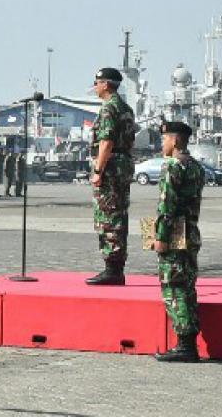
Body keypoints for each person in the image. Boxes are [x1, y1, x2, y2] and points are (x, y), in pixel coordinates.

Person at [151, 121, 204, 362]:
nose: (162, 144)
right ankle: (188, 342)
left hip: (174, 234)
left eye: (164, 139)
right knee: (187, 286)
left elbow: (167, 205)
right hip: (190, 231)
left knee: (174, 287)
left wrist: (161, 236)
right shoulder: (195, 166)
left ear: (175, 140)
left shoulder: (172, 166)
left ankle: (185, 345)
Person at [86, 67, 136, 286]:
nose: (95, 87)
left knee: (108, 216)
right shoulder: (126, 108)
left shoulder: (109, 108)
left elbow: (106, 142)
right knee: (119, 213)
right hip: (123, 164)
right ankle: (116, 267)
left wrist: (98, 170)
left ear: (106, 84)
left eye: (97, 83)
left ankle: (112, 269)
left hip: (111, 166)